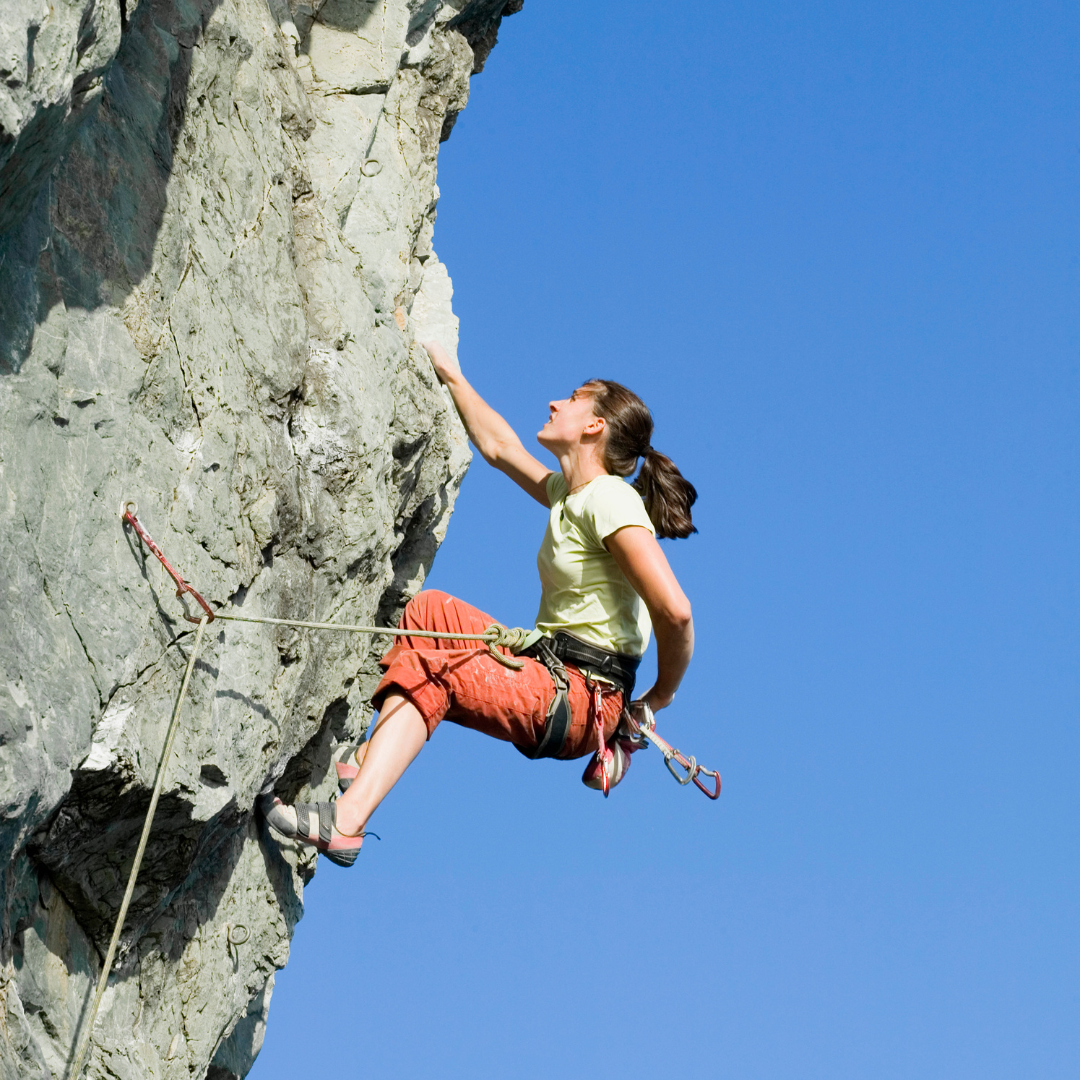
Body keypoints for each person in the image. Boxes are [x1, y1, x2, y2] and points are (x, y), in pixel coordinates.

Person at [263, 341, 697, 866]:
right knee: (431, 613)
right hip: (563, 680)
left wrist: (654, 700)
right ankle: (367, 762)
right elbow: (499, 447)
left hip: (582, 695)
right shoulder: (573, 495)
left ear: (594, 426)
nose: (556, 403)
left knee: (435, 652)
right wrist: (451, 374)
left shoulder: (609, 499)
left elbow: (674, 611)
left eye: (574, 398)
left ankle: (347, 821)